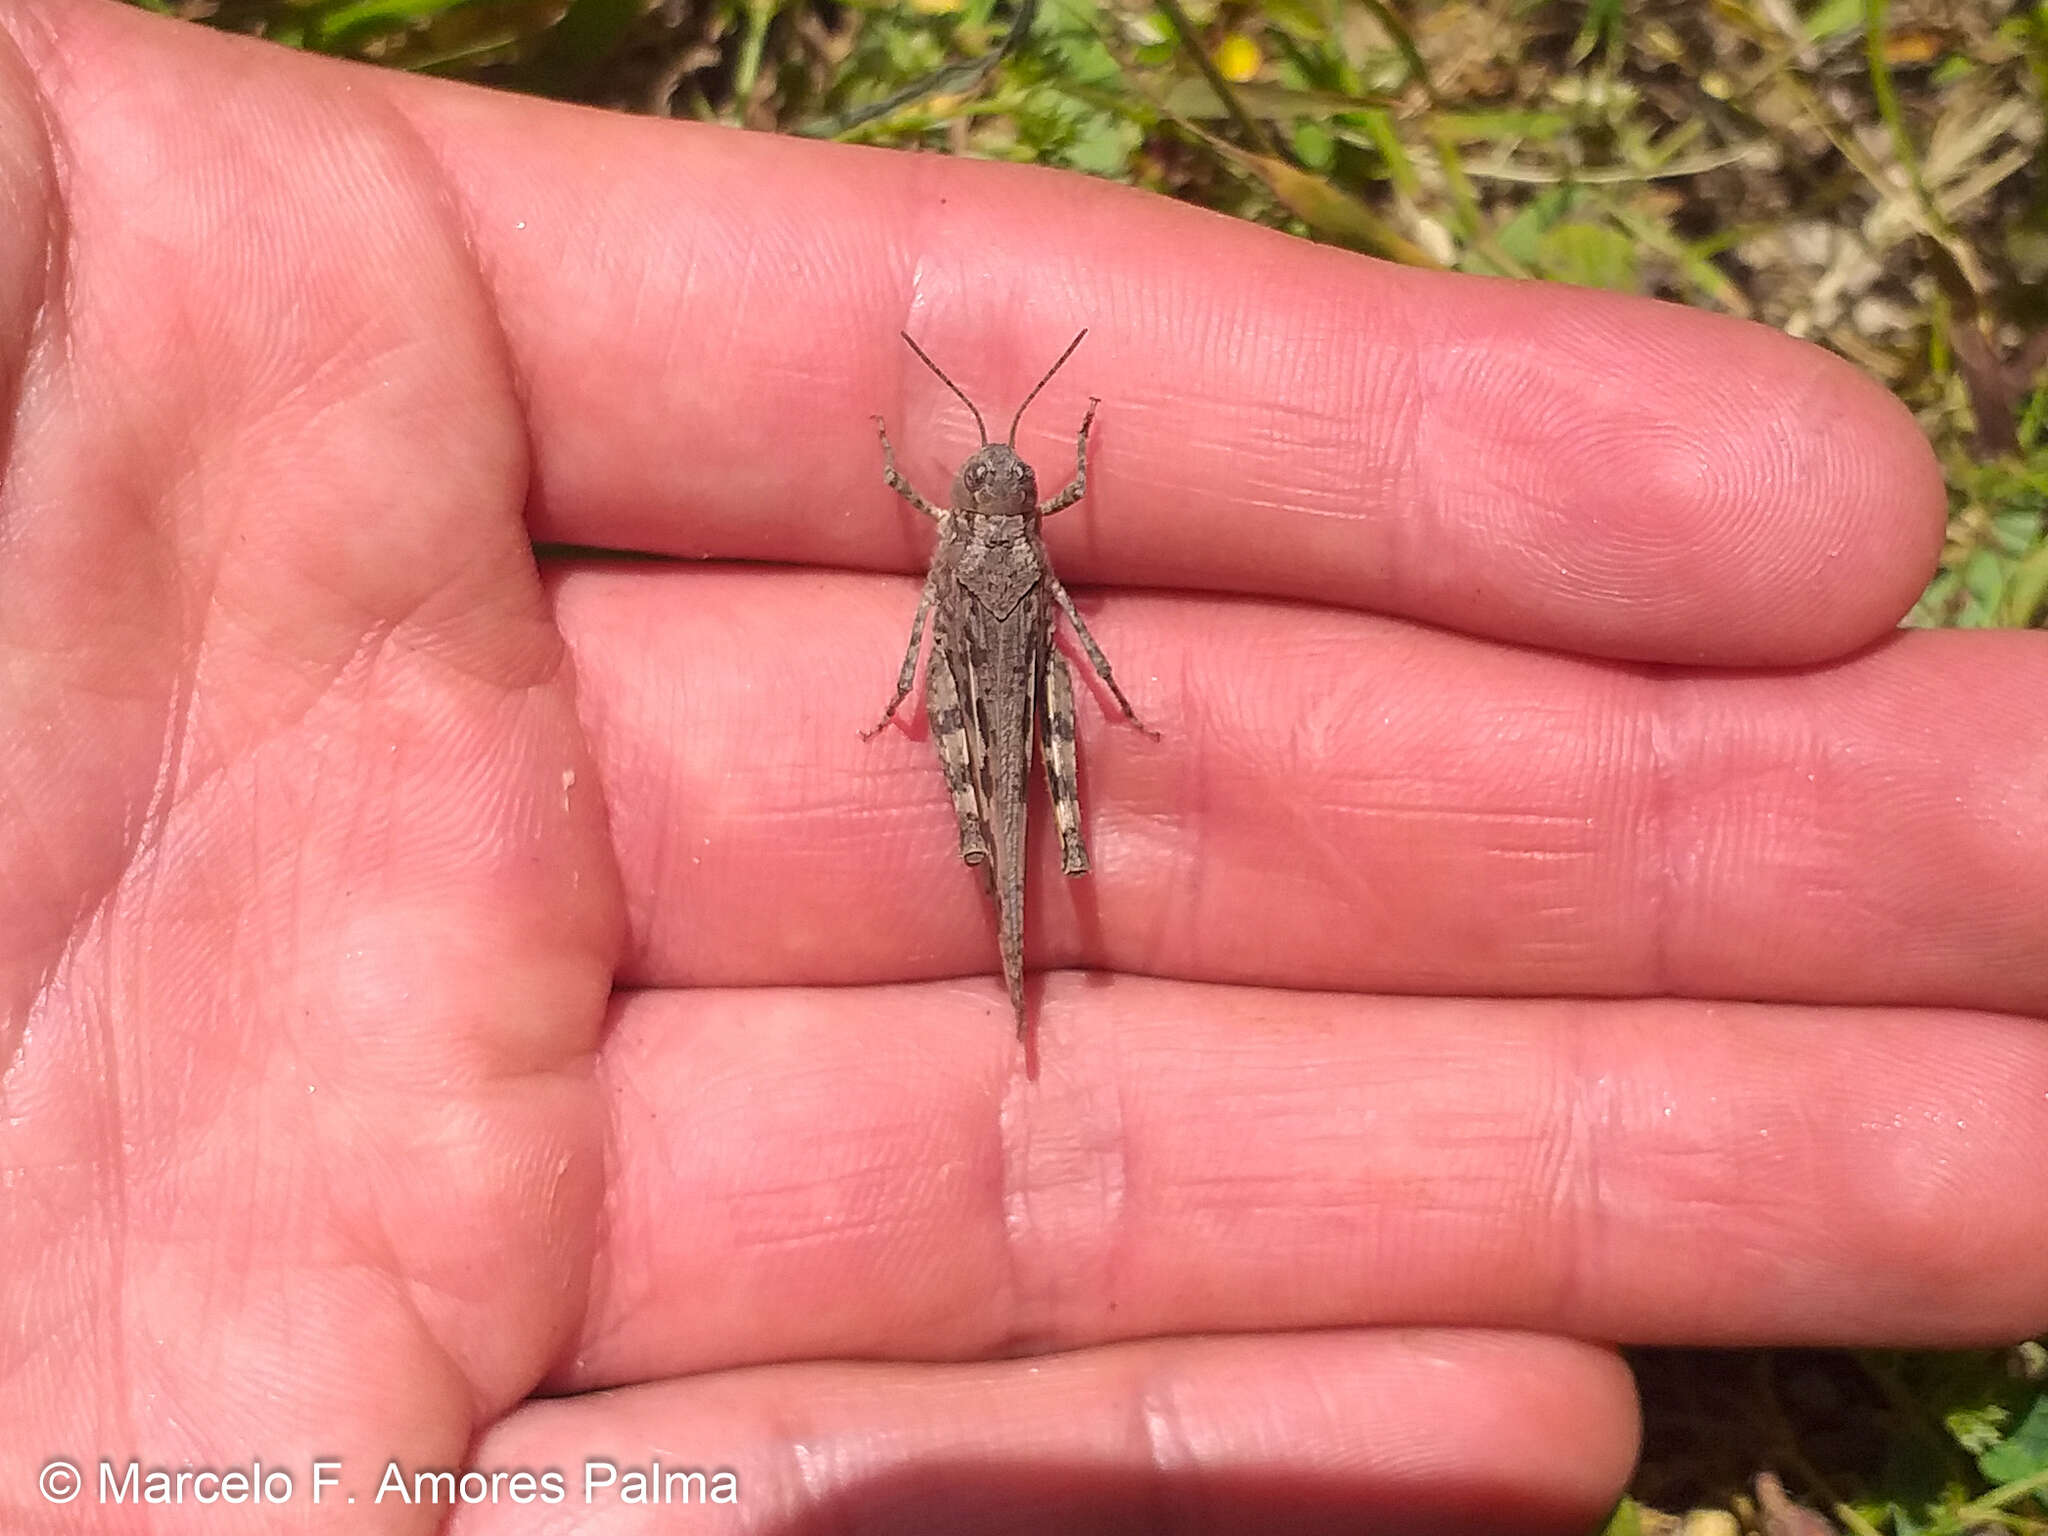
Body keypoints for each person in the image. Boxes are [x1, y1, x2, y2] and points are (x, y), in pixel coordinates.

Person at [1, 1, 2040, 1530]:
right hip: (972, 664)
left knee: (1047, 765)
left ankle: (1017, 939)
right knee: (997, 772)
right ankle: (1009, 952)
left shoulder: (1018, 518)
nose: (993, 482)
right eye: (983, 468)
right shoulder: (970, 521)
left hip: (1024, 666)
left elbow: (1019, 566)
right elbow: (956, 579)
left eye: (1009, 471)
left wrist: (1056, 620)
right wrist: (955, 610)